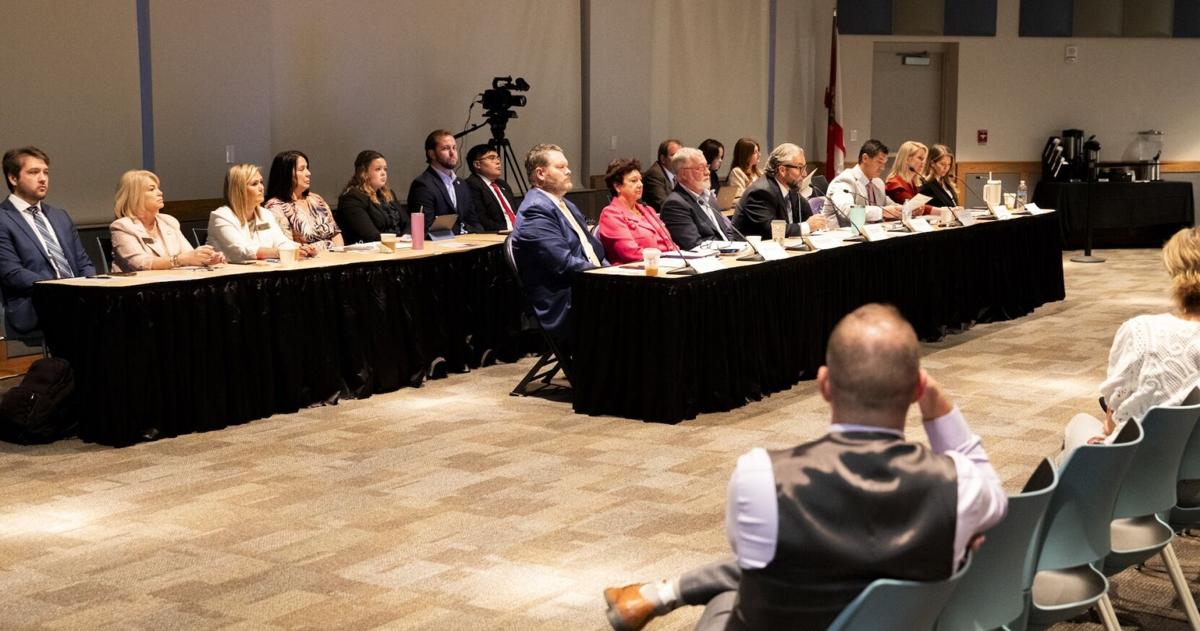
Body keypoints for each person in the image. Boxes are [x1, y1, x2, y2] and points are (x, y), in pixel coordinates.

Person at [603, 304, 1008, 631]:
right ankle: (657, 594)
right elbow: (991, 488)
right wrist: (938, 407)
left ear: (824, 385)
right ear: (918, 388)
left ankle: (659, 593)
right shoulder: (962, 487)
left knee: (732, 596)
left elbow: (754, 570)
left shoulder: (761, 476)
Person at [1063, 226, 1200, 451]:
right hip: (1189, 460)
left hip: (1141, 459)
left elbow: (1113, 419)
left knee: (1078, 425)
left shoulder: (1142, 331)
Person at [510, 144, 606, 351]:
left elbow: (594, 251)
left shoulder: (564, 204)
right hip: (565, 300)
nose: (569, 171)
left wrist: (617, 272)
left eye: (567, 166)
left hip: (587, 286)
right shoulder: (536, 209)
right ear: (540, 173)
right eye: (561, 167)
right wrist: (608, 275)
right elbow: (563, 264)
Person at [0, 146, 95, 334]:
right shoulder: (3, 218)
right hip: (36, 303)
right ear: (13, 178)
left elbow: (84, 263)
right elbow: (13, 273)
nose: (43, 178)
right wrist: (60, 288)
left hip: (76, 298)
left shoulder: (60, 216)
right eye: (34, 172)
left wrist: (91, 286)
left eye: (46, 172)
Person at [109, 170, 224, 272]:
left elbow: (188, 254)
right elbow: (140, 263)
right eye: (152, 189)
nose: (160, 193)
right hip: (138, 287)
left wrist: (205, 258)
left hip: (171, 284)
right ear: (135, 196)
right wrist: (179, 260)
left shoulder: (169, 221)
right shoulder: (122, 226)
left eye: (158, 188)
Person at [208, 163, 316, 263]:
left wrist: (300, 248)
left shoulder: (265, 214)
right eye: (254, 184)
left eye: (261, 182)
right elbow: (242, 251)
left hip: (261, 273)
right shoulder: (221, 216)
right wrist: (280, 252)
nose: (261, 188)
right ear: (239, 190)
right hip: (230, 275)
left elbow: (281, 242)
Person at [733, 143, 827, 239]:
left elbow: (809, 218)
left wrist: (817, 223)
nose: (804, 174)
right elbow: (771, 231)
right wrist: (807, 226)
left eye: (804, 168)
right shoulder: (761, 192)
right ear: (782, 170)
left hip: (784, 245)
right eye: (800, 168)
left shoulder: (791, 189)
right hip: (752, 247)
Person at [595, 158, 678, 264]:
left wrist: (678, 258)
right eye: (634, 181)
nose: (640, 184)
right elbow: (631, 254)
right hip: (635, 270)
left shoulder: (648, 210)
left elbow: (670, 244)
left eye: (640, 180)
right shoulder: (611, 215)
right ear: (617, 186)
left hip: (666, 264)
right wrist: (667, 260)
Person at [660, 147, 738, 250]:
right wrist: (728, 248)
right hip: (710, 257)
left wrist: (737, 248)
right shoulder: (674, 205)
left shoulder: (709, 197)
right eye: (700, 168)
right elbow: (694, 244)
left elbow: (726, 231)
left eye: (707, 166)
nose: (707, 172)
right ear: (683, 174)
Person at [264, 150, 343, 250]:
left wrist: (339, 252)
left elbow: (336, 234)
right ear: (286, 174)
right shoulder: (276, 206)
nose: (308, 173)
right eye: (301, 169)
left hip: (333, 256)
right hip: (305, 257)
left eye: (307, 168)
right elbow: (287, 246)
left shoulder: (316, 199)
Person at [406, 129, 479, 233]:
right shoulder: (423, 185)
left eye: (454, 148)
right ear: (432, 154)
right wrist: (462, 230)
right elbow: (426, 226)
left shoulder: (462, 184)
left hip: (467, 239)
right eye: (445, 148)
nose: (452, 153)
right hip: (440, 241)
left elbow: (474, 221)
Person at [335, 150, 406, 244]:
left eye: (385, 169)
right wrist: (397, 240)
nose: (383, 173)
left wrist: (406, 238)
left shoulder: (388, 194)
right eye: (378, 169)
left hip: (398, 245)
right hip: (370, 249)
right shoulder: (351, 198)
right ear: (364, 173)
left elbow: (407, 223)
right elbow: (370, 235)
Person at [826, 139, 902, 224]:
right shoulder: (845, 180)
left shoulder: (878, 182)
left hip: (872, 231)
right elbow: (847, 211)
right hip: (843, 231)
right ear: (865, 158)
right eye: (879, 162)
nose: (882, 168)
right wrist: (882, 211)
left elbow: (888, 205)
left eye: (884, 163)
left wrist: (905, 210)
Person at [463, 143, 519, 232]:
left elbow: (516, 213)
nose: (498, 162)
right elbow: (482, 220)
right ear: (477, 164)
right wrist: (510, 230)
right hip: (499, 234)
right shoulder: (472, 185)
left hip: (518, 231)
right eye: (492, 158)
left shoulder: (503, 184)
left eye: (498, 158)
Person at [884, 140, 935, 216]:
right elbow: (913, 206)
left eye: (924, 159)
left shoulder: (912, 182)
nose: (923, 162)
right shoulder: (894, 183)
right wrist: (942, 211)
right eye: (920, 158)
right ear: (907, 159)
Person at [716, 138, 761, 212]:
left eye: (758, 151)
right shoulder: (737, 172)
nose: (759, 155)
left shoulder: (758, 172)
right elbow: (741, 198)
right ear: (746, 155)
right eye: (755, 152)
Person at [641, 138, 682, 211]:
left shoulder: (678, 174)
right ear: (663, 159)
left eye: (680, 156)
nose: (678, 160)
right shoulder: (655, 174)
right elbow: (664, 204)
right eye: (674, 155)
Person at [919, 144, 961, 209]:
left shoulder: (946, 183)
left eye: (949, 164)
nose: (946, 168)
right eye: (942, 164)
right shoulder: (925, 184)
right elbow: (922, 208)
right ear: (932, 163)